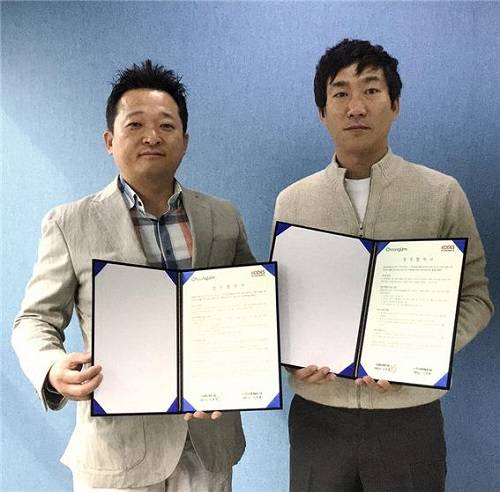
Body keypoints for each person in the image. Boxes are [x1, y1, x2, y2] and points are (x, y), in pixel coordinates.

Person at [12, 60, 255, 491]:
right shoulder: (69, 223)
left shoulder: (223, 217)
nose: (152, 136)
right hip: (116, 452)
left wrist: (239, 376)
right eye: (135, 124)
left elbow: (250, 311)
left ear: (185, 140)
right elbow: (34, 320)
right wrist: (51, 368)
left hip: (207, 442)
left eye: (166, 125)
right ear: (110, 140)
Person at [273, 39, 494, 491]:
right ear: (322, 112)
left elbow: (476, 298)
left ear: (394, 105)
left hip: (409, 417)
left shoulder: (441, 194)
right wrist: (287, 357)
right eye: (340, 93)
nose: (356, 106)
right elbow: (280, 304)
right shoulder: (293, 202)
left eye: (371, 90)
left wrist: (421, 356)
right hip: (319, 418)